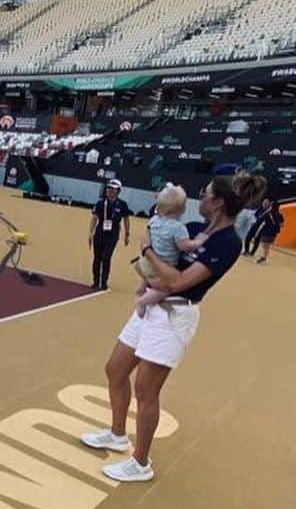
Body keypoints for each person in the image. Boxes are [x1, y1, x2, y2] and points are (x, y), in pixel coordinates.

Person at [81, 171, 266, 482]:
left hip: (174, 316)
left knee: (146, 390)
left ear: (218, 203)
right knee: (115, 369)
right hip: (152, 306)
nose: (201, 198)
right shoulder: (191, 228)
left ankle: (140, 463)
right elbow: (163, 266)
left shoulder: (228, 243)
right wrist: (150, 264)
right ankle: (116, 433)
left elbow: (179, 280)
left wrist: (148, 251)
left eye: (206, 194)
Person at [132, 184, 208, 317]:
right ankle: (143, 301)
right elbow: (184, 246)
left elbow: (148, 235)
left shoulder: (154, 220)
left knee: (148, 274)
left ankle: (141, 287)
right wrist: (198, 242)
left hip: (145, 262)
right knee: (166, 289)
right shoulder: (178, 228)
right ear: (183, 209)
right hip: (164, 266)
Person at [88, 179, 132, 290]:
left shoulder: (122, 205)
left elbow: (126, 219)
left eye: (113, 189)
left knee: (106, 257)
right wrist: (90, 232)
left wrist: (127, 234)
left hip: (112, 235)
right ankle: (96, 281)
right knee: (97, 258)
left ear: (118, 191)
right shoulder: (100, 203)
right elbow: (94, 218)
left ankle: (104, 282)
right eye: (108, 188)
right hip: (99, 233)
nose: (110, 191)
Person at [252, 199, 284, 264]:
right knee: (267, 245)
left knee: (263, 244)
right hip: (274, 232)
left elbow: (260, 219)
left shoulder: (268, 213)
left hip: (266, 230)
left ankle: (262, 257)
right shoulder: (280, 214)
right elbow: (282, 224)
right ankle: (264, 258)